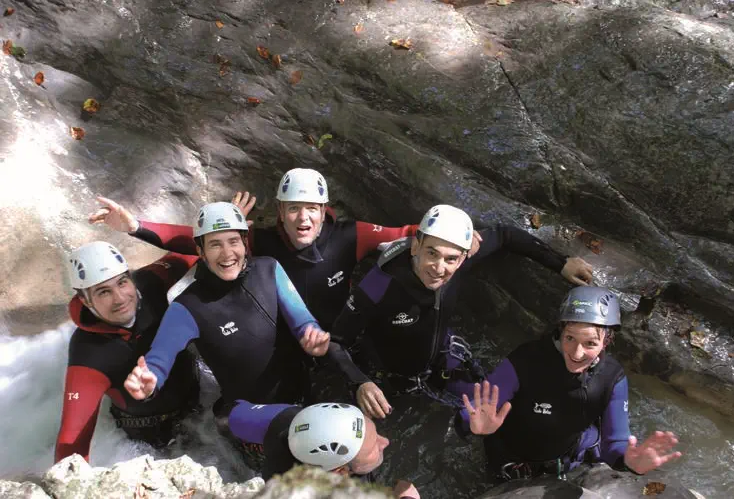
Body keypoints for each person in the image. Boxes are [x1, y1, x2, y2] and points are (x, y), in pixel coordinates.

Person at [87, 168, 467, 330]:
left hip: (340, 333)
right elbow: (197, 240)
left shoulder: (350, 235)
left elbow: (408, 233)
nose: (303, 218)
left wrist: (462, 238)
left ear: (323, 211)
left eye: (311, 209)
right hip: (286, 335)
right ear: (281, 212)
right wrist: (135, 227)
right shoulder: (262, 241)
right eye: (294, 209)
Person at [332, 204, 594, 419]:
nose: (439, 268)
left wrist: (561, 263)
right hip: (393, 375)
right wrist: (360, 382)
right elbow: (335, 341)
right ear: (415, 246)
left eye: (451, 259)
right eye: (431, 253)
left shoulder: (462, 256)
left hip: (441, 357)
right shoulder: (379, 285)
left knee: (497, 407)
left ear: (463, 257)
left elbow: (505, 235)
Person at [122, 202, 332, 449]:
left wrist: (313, 336)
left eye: (233, 241)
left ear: (244, 242)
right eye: (215, 244)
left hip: (302, 391)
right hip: (249, 413)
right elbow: (159, 359)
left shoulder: (268, 269)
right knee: (301, 433)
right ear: (200, 251)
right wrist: (150, 381)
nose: (227, 253)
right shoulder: (186, 307)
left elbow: (302, 320)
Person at [458, 286, 682, 481]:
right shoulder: (525, 361)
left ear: (607, 341)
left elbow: (614, 443)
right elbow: (472, 411)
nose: (577, 353)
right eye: (570, 338)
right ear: (560, 331)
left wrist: (630, 462)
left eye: (590, 343)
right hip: (510, 464)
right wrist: (474, 425)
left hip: (567, 465)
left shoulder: (612, 377)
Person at [56, 241, 200, 463]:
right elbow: (72, 438)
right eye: (104, 292)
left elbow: (193, 246)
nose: (120, 298)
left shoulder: (149, 283)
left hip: (198, 400)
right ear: (85, 300)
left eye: (122, 283)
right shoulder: (87, 353)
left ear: (130, 278)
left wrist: (138, 227)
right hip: (148, 432)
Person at [225, 401, 419, 498]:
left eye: (376, 435)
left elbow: (230, 413)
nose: (386, 442)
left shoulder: (290, 419)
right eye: (372, 448)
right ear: (341, 471)